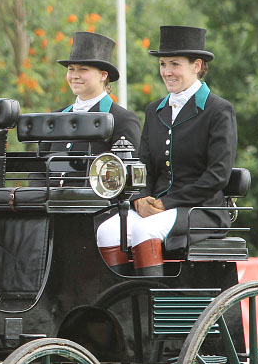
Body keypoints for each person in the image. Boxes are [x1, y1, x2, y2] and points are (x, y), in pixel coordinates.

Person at [96, 26, 237, 276]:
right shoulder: (154, 110)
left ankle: (152, 303)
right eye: (163, 64)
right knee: (107, 232)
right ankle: (123, 308)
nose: (167, 72)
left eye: (174, 64)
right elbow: (144, 165)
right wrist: (139, 199)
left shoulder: (218, 110)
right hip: (155, 207)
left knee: (144, 230)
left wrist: (164, 203)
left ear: (197, 66)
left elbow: (217, 175)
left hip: (201, 210)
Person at [46, 31, 141, 155]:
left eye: (83, 69)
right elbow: (39, 169)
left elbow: (126, 171)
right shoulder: (55, 117)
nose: (75, 76)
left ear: (103, 75)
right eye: (71, 69)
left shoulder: (122, 120)